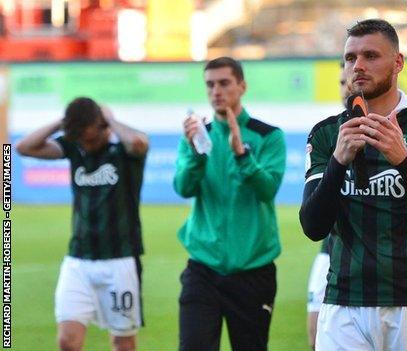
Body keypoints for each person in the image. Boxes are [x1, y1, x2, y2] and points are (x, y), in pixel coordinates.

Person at [299, 19, 407, 350]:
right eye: (350, 58)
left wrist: (403, 160)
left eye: (371, 56)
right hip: (343, 304)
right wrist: (338, 162)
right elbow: (313, 226)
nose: (358, 66)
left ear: (398, 62)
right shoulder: (326, 134)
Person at [16, 97, 149, 351]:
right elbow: (23, 147)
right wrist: (62, 123)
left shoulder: (124, 151)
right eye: (80, 139)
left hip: (120, 260)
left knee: (123, 344)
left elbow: (138, 143)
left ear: (102, 126)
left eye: (90, 138)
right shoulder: (75, 147)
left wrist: (109, 118)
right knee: (68, 341)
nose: (85, 145)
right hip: (78, 260)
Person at [173, 56, 286, 351]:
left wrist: (241, 154)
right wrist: (197, 153)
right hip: (203, 269)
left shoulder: (268, 136)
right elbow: (183, 187)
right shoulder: (197, 136)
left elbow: (267, 190)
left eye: (224, 83)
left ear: (242, 86)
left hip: (253, 271)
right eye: (210, 84)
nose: (216, 91)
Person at [305, 62, 350, 349]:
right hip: (328, 253)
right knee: (315, 335)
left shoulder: (396, 132)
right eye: (341, 83)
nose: (346, 89)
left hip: (379, 264)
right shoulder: (326, 134)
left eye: (349, 81)